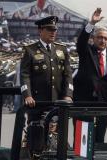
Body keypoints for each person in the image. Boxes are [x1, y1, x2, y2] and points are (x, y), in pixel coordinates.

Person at [20, 15, 73, 156]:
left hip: (57, 101)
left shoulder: (62, 50)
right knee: (36, 136)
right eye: (49, 29)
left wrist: (68, 95)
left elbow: (68, 75)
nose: (53, 32)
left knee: (58, 136)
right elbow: (25, 76)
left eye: (54, 29)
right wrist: (28, 95)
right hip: (37, 102)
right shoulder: (30, 50)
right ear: (40, 30)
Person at [74, 8, 107, 143]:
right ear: (93, 38)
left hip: (103, 103)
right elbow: (81, 41)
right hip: (84, 102)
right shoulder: (86, 51)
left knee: (99, 139)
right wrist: (91, 24)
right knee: (82, 140)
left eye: (105, 38)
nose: (102, 40)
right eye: (99, 37)